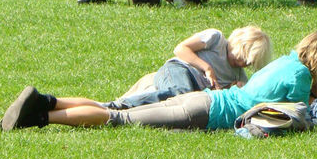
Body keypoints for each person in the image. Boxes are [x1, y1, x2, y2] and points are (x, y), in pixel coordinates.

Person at [0, 30, 317, 131]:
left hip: (204, 101)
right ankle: (40, 117)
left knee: (119, 108)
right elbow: (297, 119)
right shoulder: (298, 76)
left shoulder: (286, 63)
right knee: (119, 117)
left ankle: (47, 102)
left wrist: (314, 93)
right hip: (205, 112)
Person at [111, 26, 272, 110]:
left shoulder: (239, 76)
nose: (241, 64)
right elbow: (180, 49)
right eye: (240, 57)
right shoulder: (216, 39)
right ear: (238, 43)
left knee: (187, 103)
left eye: (247, 63)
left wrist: (231, 89)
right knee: (181, 96)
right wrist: (206, 67)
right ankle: (119, 105)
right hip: (180, 69)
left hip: (196, 90)